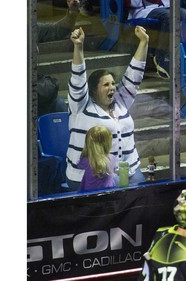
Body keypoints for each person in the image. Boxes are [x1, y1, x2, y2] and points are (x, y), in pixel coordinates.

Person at [66, 25, 149, 191]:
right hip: (90, 176)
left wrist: (144, 42)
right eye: (106, 84)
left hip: (129, 170)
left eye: (113, 83)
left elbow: (134, 76)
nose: (112, 87)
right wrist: (78, 46)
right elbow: (78, 79)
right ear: (94, 90)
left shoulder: (120, 103)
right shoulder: (82, 106)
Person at [37, 0, 81, 116]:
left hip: (36, 87)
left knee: (59, 105)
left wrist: (72, 12)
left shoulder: (32, 29)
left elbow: (58, 30)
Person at [126, 0, 186, 79]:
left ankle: (178, 56)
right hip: (145, 10)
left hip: (165, 7)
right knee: (170, 16)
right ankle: (161, 58)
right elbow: (132, 3)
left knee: (183, 12)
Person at [77, 126, 117, 191]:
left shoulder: (85, 160)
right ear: (107, 143)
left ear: (88, 143)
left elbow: (79, 164)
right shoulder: (112, 159)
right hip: (109, 195)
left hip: (90, 196)